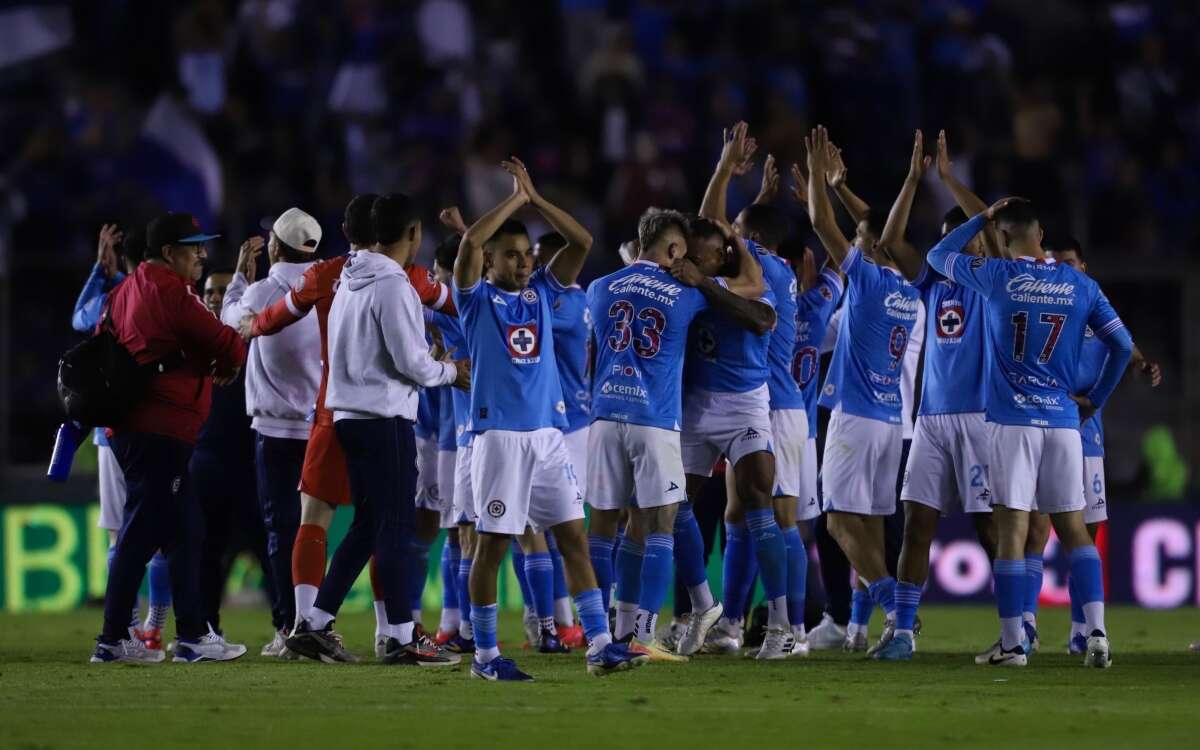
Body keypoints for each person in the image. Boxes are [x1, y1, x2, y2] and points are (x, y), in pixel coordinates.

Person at [453, 157, 642, 680]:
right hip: (499, 440)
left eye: (527, 255)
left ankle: (600, 644)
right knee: (491, 547)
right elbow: (469, 244)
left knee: (573, 539)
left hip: (549, 438)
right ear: (489, 262)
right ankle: (485, 656)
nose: (522, 263)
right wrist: (513, 201)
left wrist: (536, 200)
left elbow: (580, 242)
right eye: (510, 256)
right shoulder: (475, 300)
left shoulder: (542, 292)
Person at [926, 197, 1133, 668]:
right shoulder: (1080, 284)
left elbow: (938, 257)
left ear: (1002, 237)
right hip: (1063, 422)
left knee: (1013, 531)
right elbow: (1121, 345)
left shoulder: (997, 276)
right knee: (1074, 529)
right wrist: (1095, 400)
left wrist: (979, 217)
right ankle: (1097, 634)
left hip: (1012, 423)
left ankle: (1013, 643)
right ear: (1041, 237)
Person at [241, 194, 455, 651]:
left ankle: (308, 621)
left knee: (323, 522)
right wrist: (453, 366)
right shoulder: (404, 279)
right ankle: (392, 631)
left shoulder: (329, 276)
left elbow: (271, 320)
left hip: (332, 413)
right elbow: (454, 304)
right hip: (379, 411)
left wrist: (245, 324)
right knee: (392, 525)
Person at [871, 130, 1007, 661]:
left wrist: (950, 180)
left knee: (990, 527)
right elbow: (888, 243)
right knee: (916, 521)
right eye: (954, 240)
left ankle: (1017, 626)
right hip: (930, 418)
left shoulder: (995, 280)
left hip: (979, 416)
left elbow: (994, 226)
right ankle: (903, 631)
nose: (963, 249)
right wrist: (913, 181)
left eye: (968, 239)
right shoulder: (932, 281)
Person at [91, 212, 247, 664]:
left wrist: (195, 358)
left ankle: (194, 637)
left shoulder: (124, 291)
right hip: (161, 428)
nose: (201, 254)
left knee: (187, 532)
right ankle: (112, 638)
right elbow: (229, 344)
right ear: (167, 253)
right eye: (192, 246)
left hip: (139, 426)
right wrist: (214, 359)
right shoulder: (172, 292)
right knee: (139, 535)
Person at [803, 126, 921, 653]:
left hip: (853, 416)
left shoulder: (868, 280)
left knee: (837, 523)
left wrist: (816, 184)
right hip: (890, 421)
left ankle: (898, 611)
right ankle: (890, 627)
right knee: (870, 526)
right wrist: (841, 187)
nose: (848, 246)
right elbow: (871, 227)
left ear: (870, 248)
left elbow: (819, 223)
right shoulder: (910, 295)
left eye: (857, 243)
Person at [696, 136, 814, 656]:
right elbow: (712, 232)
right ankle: (733, 622)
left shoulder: (758, 266)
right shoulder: (780, 271)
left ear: (749, 236)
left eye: (734, 233)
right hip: (757, 398)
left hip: (774, 403)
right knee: (738, 515)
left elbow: (706, 230)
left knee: (777, 518)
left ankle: (794, 629)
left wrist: (723, 172)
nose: (725, 240)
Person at [1048, 237, 1161, 654]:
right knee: (1032, 529)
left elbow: (1126, 346)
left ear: (1084, 266)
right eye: (1055, 263)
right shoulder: (1043, 306)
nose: (1063, 269)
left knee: (1087, 531)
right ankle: (1023, 626)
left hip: (1087, 431)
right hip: (1043, 426)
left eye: (1070, 263)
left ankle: (1081, 629)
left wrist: (1142, 366)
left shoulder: (1094, 307)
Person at [221, 208, 323, 654]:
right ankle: (319, 620)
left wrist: (241, 278)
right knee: (316, 529)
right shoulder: (331, 291)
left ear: (276, 247)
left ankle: (289, 627)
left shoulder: (262, 292)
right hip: (323, 426)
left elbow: (228, 322)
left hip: (276, 431)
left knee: (281, 531)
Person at [73, 225, 174, 647]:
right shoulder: (161, 297)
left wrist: (101, 271)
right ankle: (155, 625)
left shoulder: (111, 300)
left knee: (121, 532)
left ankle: (130, 626)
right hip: (159, 427)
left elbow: (79, 319)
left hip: (111, 430)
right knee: (161, 534)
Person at [193, 267, 273, 639]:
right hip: (205, 460)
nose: (215, 296)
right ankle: (205, 630)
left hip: (250, 460)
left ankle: (286, 627)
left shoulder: (253, 340)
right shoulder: (191, 341)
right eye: (210, 290)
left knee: (267, 548)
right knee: (208, 552)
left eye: (224, 290)